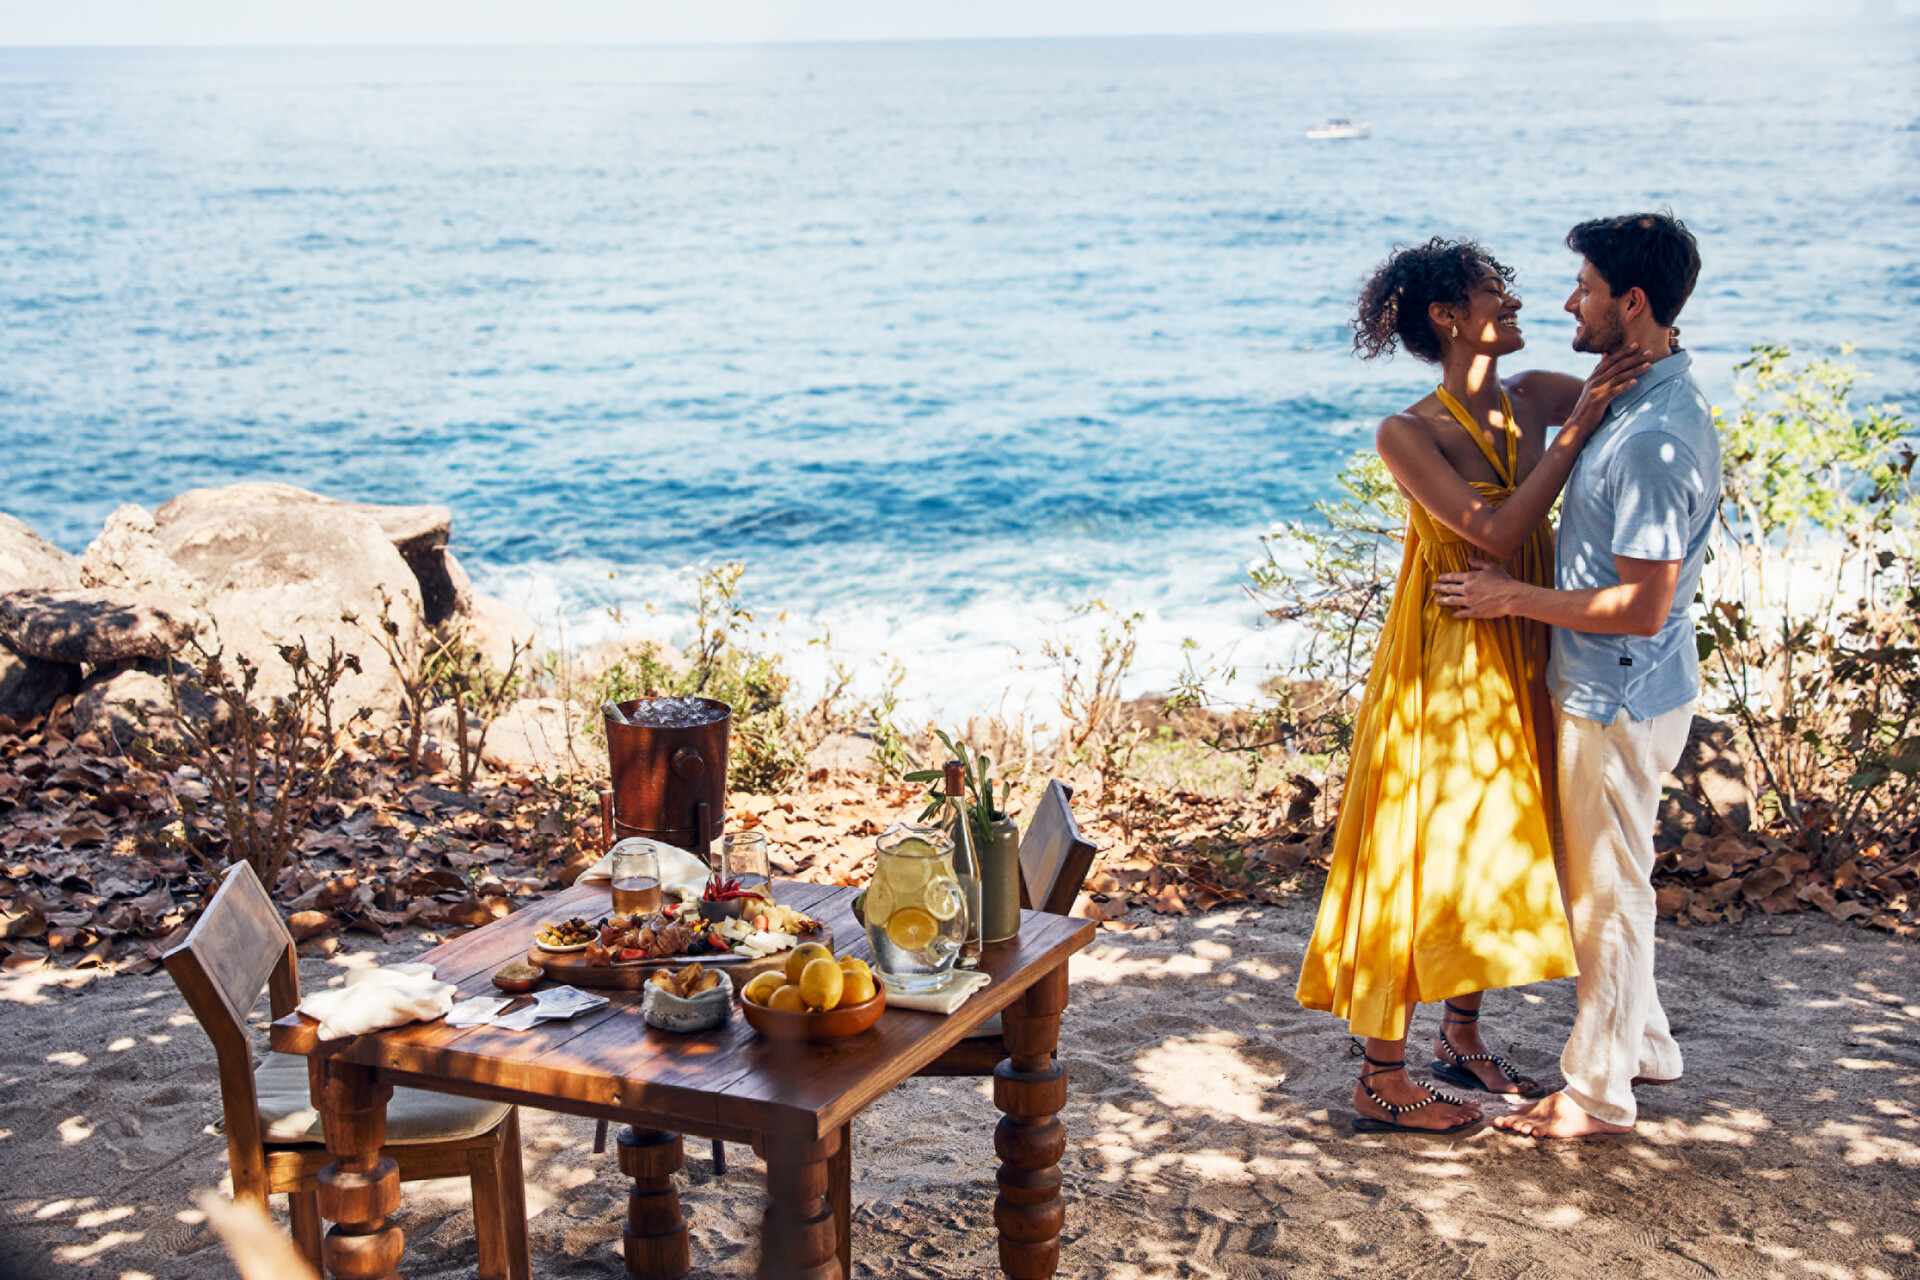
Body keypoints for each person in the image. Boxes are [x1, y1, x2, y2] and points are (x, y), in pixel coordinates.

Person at [1296, 237, 1652, 1133]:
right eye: (1497, 291)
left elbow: (1637, 387)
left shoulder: (1536, 395)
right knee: (1426, 842)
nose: (1518, 302)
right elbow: (1492, 532)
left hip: (1528, 632)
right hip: (1448, 652)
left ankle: (1461, 1037)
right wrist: (1575, 434)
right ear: (1448, 316)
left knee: (1506, 834)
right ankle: (1380, 1073)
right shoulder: (1408, 433)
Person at [1436, 212, 1715, 1139]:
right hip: (1621, 682)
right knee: (1614, 874)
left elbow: (1641, 604)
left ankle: (1596, 1093)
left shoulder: (1652, 436)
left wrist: (1509, 597)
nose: (1568, 302)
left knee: (1606, 893)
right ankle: (1645, 1047)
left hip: (1618, 687)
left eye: (1585, 288)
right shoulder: (1633, 396)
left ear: (1630, 302)